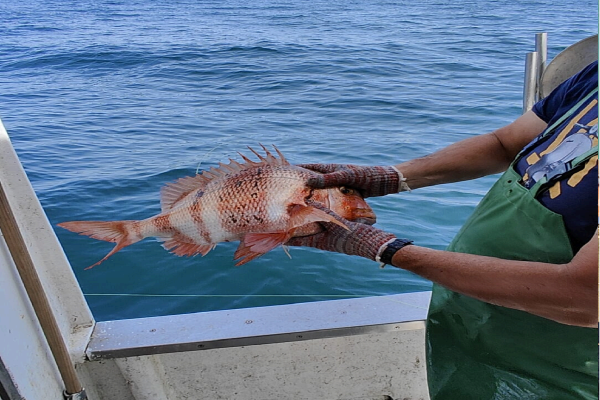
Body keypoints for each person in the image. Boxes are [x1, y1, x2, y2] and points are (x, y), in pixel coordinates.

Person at [289, 60, 598, 399]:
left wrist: (387, 249)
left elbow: (584, 298)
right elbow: (504, 143)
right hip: (474, 321)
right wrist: (393, 176)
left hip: (563, 369)